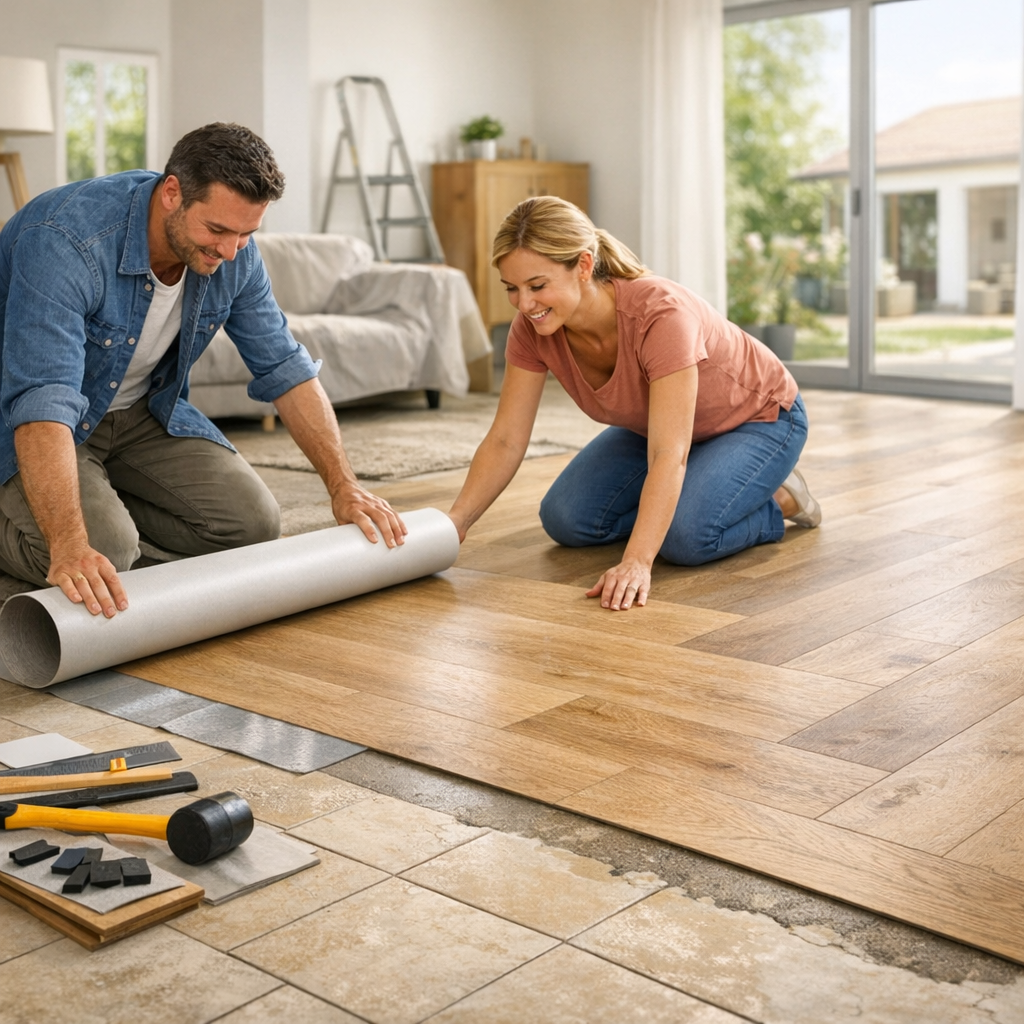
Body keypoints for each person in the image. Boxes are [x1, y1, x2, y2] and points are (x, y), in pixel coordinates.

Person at [0, 122, 405, 619]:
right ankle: (89, 538)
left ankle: (109, 534)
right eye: (217, 230)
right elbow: (43, 400)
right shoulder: (65, 240)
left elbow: (284, 366)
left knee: (251, 525)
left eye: (246, 233)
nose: (231, 251)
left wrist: (344, 486)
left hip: (139, 416)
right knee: (98, 549)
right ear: (172, 192)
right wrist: (68, 543)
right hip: (34, 425)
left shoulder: (235, 253)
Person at [447, 196, 819, 612]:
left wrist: (638, 561)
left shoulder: (661, 315)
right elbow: (505, 439)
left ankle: (778, 499)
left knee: (686, 538)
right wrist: (456, 522)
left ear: (584, 266)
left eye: (537, 286)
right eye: (512, 289)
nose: (524, 304)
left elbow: (668, 452)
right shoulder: (533, 329)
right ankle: (697, 491)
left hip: (760, 419)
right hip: (664, 430)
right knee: (567, 518)